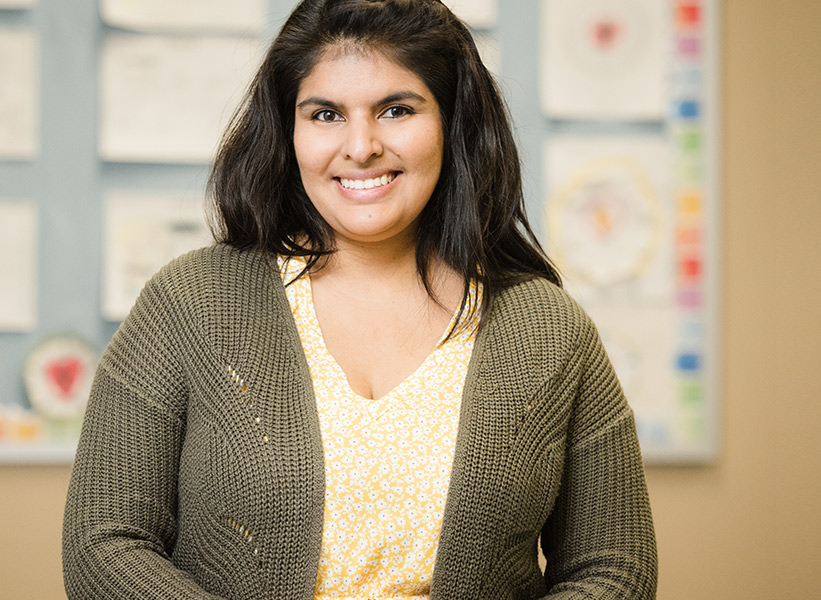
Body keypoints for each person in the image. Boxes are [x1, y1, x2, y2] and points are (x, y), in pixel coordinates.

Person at [62, 1, 657, 598]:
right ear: (288, 130)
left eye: (397, 110)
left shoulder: (549, 330)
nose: (361, 146)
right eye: (325, 114)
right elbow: (103, 545)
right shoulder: (188, 303)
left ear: (453, 121)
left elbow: (616, 568)